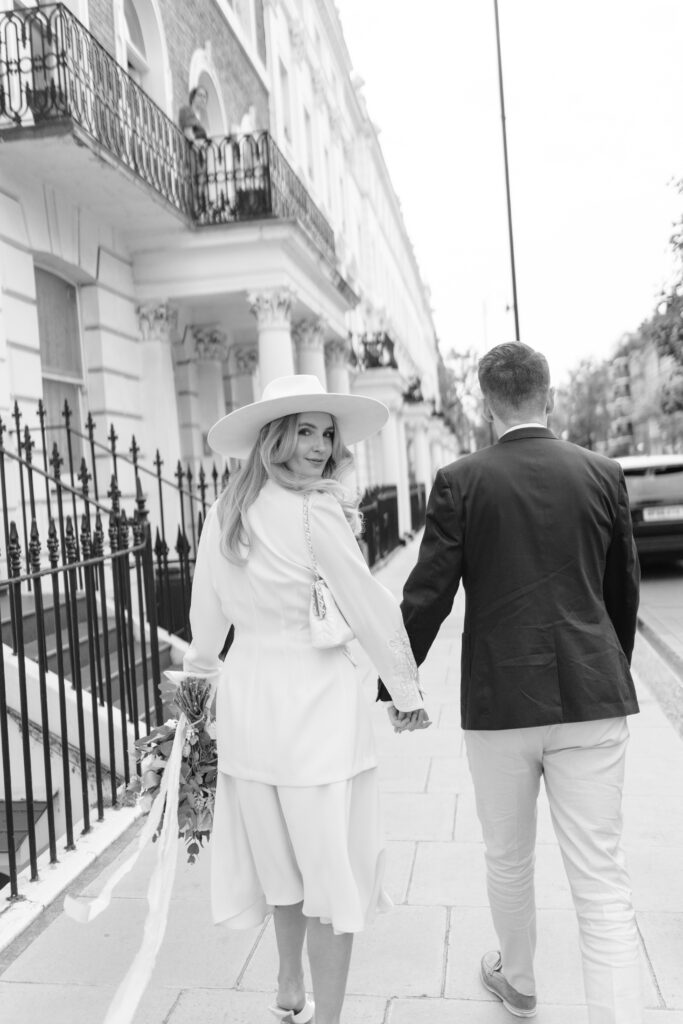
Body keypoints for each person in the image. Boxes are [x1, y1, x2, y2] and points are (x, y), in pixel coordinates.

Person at [380, 342, 642, 1022]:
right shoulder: (601, 472)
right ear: (547, 396)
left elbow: (426, 594)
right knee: (601, 881)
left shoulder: (460, 481)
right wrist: (606, 671)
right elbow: (622, 592)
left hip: (500, 704)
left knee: (507, 856)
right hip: (591, 694)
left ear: (487, 403)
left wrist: (398, 689)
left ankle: (518, 979)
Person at [182, 374, 430, 1024]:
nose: (320, 446)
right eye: (306, 432)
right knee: (331, 876)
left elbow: (204, 625)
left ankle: (289, 982)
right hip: (315, 712)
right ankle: (326, 1019)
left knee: (281, 867)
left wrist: (196, 695)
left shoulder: (224, 514)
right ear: (276, 437)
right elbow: (369, 606)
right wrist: (403, 689)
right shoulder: (313, 510)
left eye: (326, 433)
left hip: (247, 708)